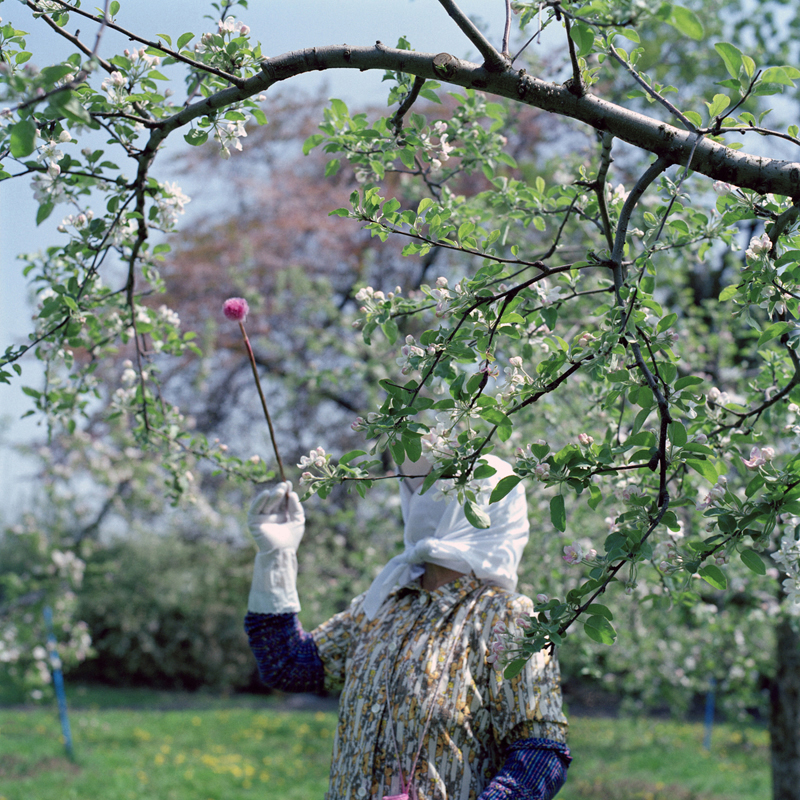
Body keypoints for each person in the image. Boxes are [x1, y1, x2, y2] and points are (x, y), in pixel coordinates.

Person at [244, 454, 571, 800]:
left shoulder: (508, 618)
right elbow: (290, 666)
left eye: (436, 480)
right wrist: (275, 560)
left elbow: (541, 753)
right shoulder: (383, 603)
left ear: (478, 504)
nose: (417, 493)